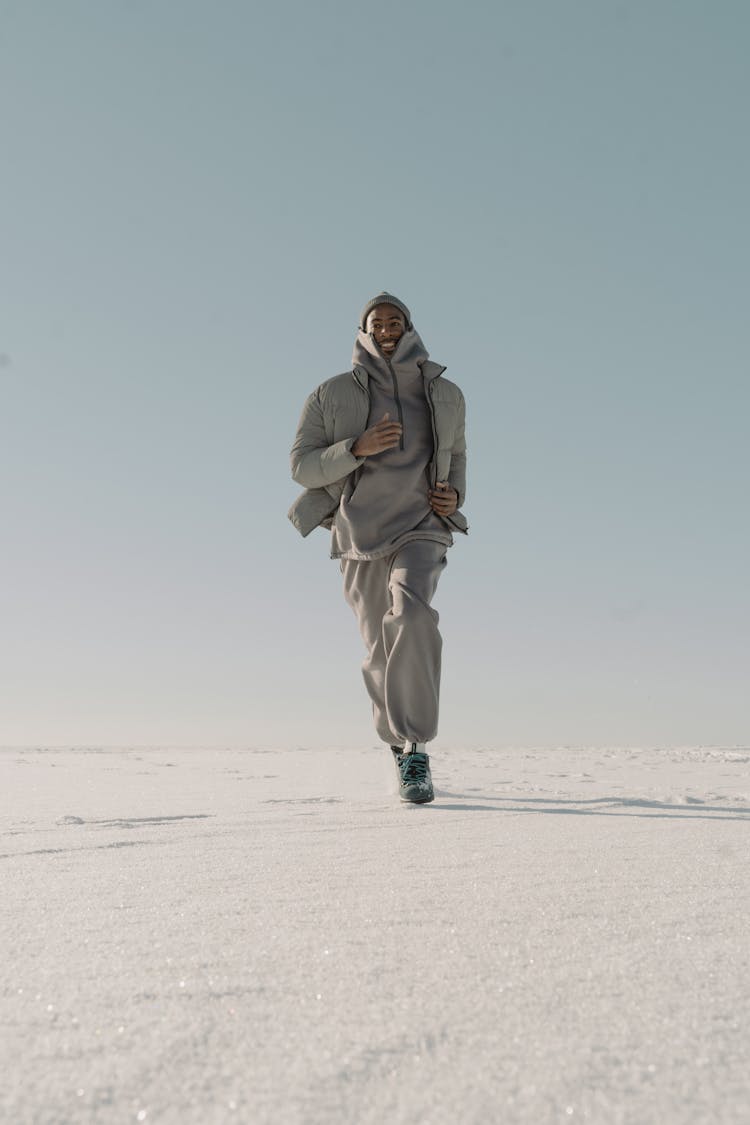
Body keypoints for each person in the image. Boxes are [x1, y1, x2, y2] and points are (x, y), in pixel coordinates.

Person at [288, 292, 467, 804]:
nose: (386, 328)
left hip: (422, 525)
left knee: (411, 616)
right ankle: (394, 745)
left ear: (409, 327)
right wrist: (356, 448)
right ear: (363, 332)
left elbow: (457, 457)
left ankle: (414, 747)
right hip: (359, 533)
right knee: (378, 649)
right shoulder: (332, 392)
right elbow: (302, 465)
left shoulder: (446, 393)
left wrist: (455, 495)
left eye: (395, 321)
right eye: (377, 322)